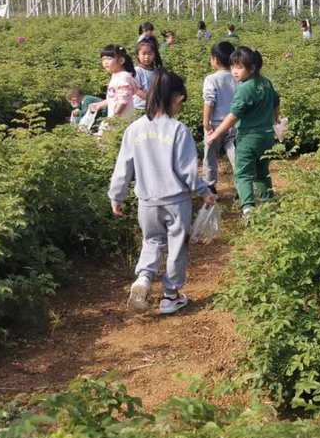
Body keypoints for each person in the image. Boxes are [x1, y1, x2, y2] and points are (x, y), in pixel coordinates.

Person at [110, 71, 216, 316]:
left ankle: (143, 279)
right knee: (177, 246)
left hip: (147, 202)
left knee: (152, 241)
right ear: (175, 97)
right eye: (181, 100)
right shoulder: (178, 130)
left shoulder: (134, 129)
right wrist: (204, 191)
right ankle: (171, 296)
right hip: (176, 202)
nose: (181, 105)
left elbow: (123, 168)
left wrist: (117, 196)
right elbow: (187, 172)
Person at [203, 47, 279, 218]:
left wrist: (215, 135)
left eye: (239, 67)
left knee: (243, 174)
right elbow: (276, 100)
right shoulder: (266, 82)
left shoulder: (244, 89)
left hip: (248, 138)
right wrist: (276, 119)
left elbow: (233, 117)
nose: (234, 72)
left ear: (251, 68)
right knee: (262, 172)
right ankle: (269, 205)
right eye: (232, 67)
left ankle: (248, 210)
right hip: (267, 137)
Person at [202, 41, 238, 190]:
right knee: (235, 153)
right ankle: (240, 184)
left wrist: (206, 122)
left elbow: (209, 101)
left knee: (210, 155)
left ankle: (210, 186)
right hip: (234, 123)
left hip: (215, 125)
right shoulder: (237, 76)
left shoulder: (211, 79)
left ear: (215, 59)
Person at [87, 45, 142, 121]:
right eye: (103, 59)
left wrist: (114, 118)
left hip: (121, 121)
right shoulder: (116, 75)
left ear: (121, 61)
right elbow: (113, 98)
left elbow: (123, 101)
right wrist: (99, 104)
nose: (105, 62)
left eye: (109, 59)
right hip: (117, 120)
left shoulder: (123, 77)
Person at [133, 38, 163, 112]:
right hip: (139, 107)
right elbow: (136, 90)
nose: (146, 57)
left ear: (154, 55)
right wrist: (150, 99)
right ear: (138, 55)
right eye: (143, 54)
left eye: (150, 54)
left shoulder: (156, 71)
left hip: (153, 107)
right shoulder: (137, 71)